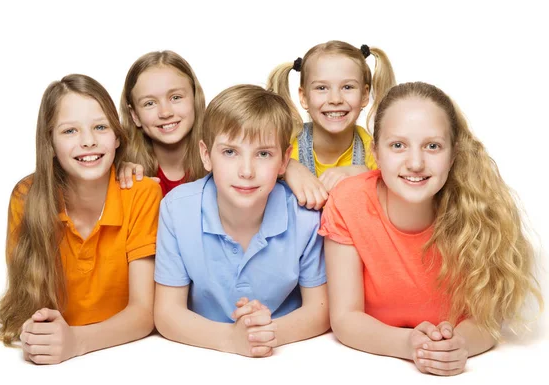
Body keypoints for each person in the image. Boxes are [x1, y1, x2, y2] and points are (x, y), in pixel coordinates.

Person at [320, 81, 544, 375]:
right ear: (375, 152)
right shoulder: (348, 202)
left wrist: (459, 345)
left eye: (433, 146)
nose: (415, 163)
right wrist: (409, 345)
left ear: (452, 155)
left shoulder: (480, 213)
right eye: (398, 145)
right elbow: (346, 317)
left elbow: (486, 319)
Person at [0, 74, 161, 365]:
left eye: (100, 127)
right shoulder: (26, 198)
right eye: (70, 131)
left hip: (130, 355)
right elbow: (28, 301)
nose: (88, 141)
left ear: (117, 136)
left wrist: (77, 342)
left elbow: (144, 313)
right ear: (50, 143)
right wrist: (38, 332)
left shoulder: (143, 194)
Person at [153, 84, 329, 357]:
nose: (246, 171)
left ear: (284, 161)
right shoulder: (177, 209)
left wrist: (263, 334)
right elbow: (167, 312)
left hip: (291, 356)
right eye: (230, 152)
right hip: (201, 354)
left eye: (263, 154)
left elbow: (320, 309)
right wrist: (230, 339)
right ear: (205, 155)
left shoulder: (305, 216)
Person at [268, 40, 396, 209]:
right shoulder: (285, 144)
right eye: (321, 88)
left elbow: (395, 194)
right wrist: (287, 167)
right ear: (304, 97)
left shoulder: (372, 150)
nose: (335, 99)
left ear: (365, 95)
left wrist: (364, 173)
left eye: (348, 87)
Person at [118, 50, 207, 196]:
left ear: (195, 99)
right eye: (150, 103)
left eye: (176, 97)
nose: (165, 113)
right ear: (135, 115)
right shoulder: (125, 172)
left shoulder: (221, 159)